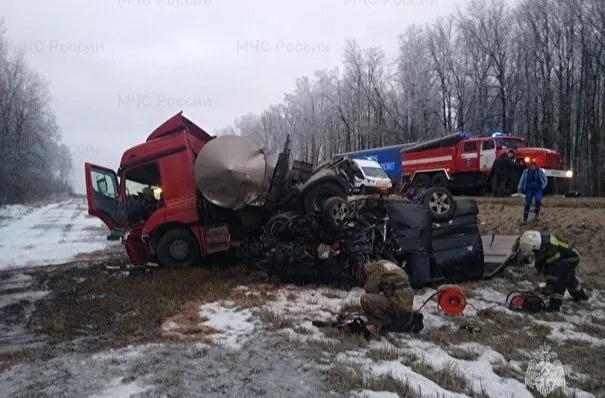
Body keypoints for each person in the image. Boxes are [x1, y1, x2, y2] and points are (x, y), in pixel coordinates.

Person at [518, 230, 589, 312]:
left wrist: (549, 286)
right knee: (570, 278)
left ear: (535, 247)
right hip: (564, 258)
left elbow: (554, 271)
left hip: (571, 258)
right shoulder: (541, 243)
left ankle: (554, 306)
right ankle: (581, 296)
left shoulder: (552, 251)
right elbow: (542, 260)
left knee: (560, 281)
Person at [359, 259, 416, 334]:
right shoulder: (387, 264)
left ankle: (380, 324)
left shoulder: (376, 269)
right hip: (407, 301)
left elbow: (370, 290)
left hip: (398, 302)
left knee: (365, 299)